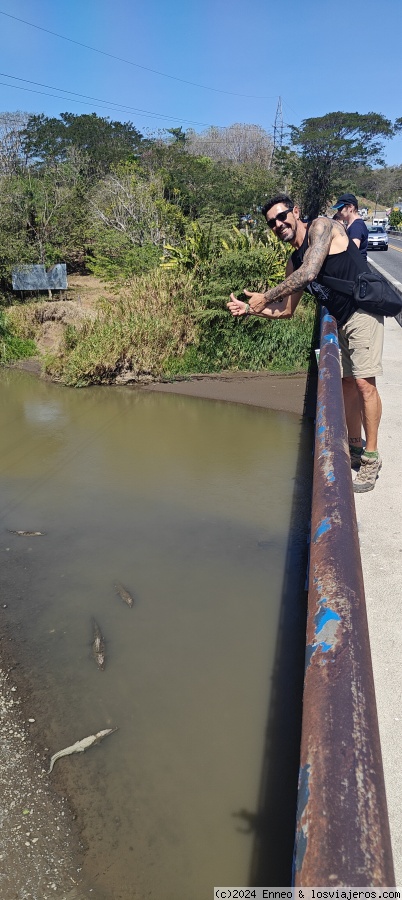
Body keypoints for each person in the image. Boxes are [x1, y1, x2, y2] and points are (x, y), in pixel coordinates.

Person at [227, 193, 383, 493]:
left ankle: (371, 457)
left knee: (364, 384)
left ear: (296, 212)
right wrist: (250, 309)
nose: (278, 224)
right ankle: (353, 446)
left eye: (282, 216)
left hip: (364, 310)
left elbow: (310, 272)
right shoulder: (293, 260)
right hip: (340, 319)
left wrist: (266, 295)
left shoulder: (321, 227)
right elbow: (287, 310)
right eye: (272, 222)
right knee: (348, 385)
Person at [332, 192, 369, 258]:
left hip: (357, 267)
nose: (338, 212)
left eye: (340, 209)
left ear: (350, 207)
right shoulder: (351, 225)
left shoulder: (356, 226)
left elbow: (353, 252)